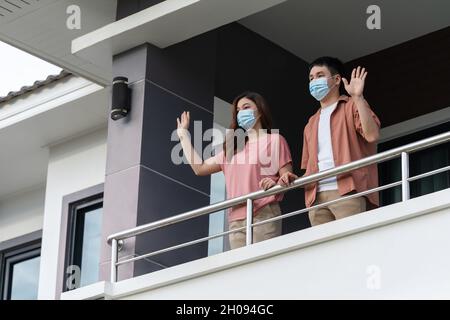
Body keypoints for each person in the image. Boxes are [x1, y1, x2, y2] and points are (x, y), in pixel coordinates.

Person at [176, 91, 293, 249]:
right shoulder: (232, 148)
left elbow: (287, 177)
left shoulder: (274, 140)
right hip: (236, 219)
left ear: (260, 110)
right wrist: (183, 135)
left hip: (264, 212)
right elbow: (199, 168)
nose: (241, 113)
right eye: (238, 110)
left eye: (246, 107)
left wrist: (274, 182)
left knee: (263, 267)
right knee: (242, 271)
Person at [281, 57, 381, 226]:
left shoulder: (351, 106)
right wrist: (295, 179)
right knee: (324, 251)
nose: (314, 81)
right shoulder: (311, 123)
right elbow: (311, 170)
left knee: (349, 247)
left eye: (320, 75)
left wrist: (358, 97)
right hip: (316, 198)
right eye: (311, 78)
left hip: (347, 191)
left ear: (336, 80)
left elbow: (372, 135)